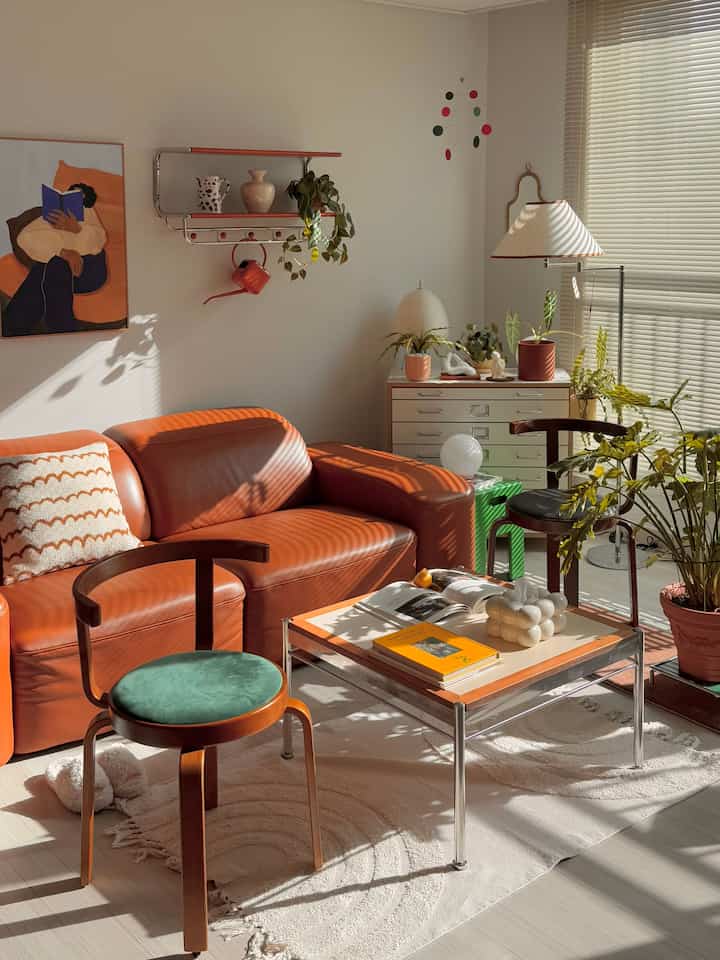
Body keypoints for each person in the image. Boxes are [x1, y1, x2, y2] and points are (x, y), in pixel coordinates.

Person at [2, 183, 107, 336]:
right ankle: (15, 327)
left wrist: (77, 230)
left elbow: (98, 242)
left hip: (89, 270)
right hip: (59, 270)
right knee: (50, 267)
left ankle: (17, 327)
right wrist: (61, 251)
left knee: (52, 267)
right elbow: (25, 239)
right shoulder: (52, 216)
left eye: (81, 196)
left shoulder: (88, 213)